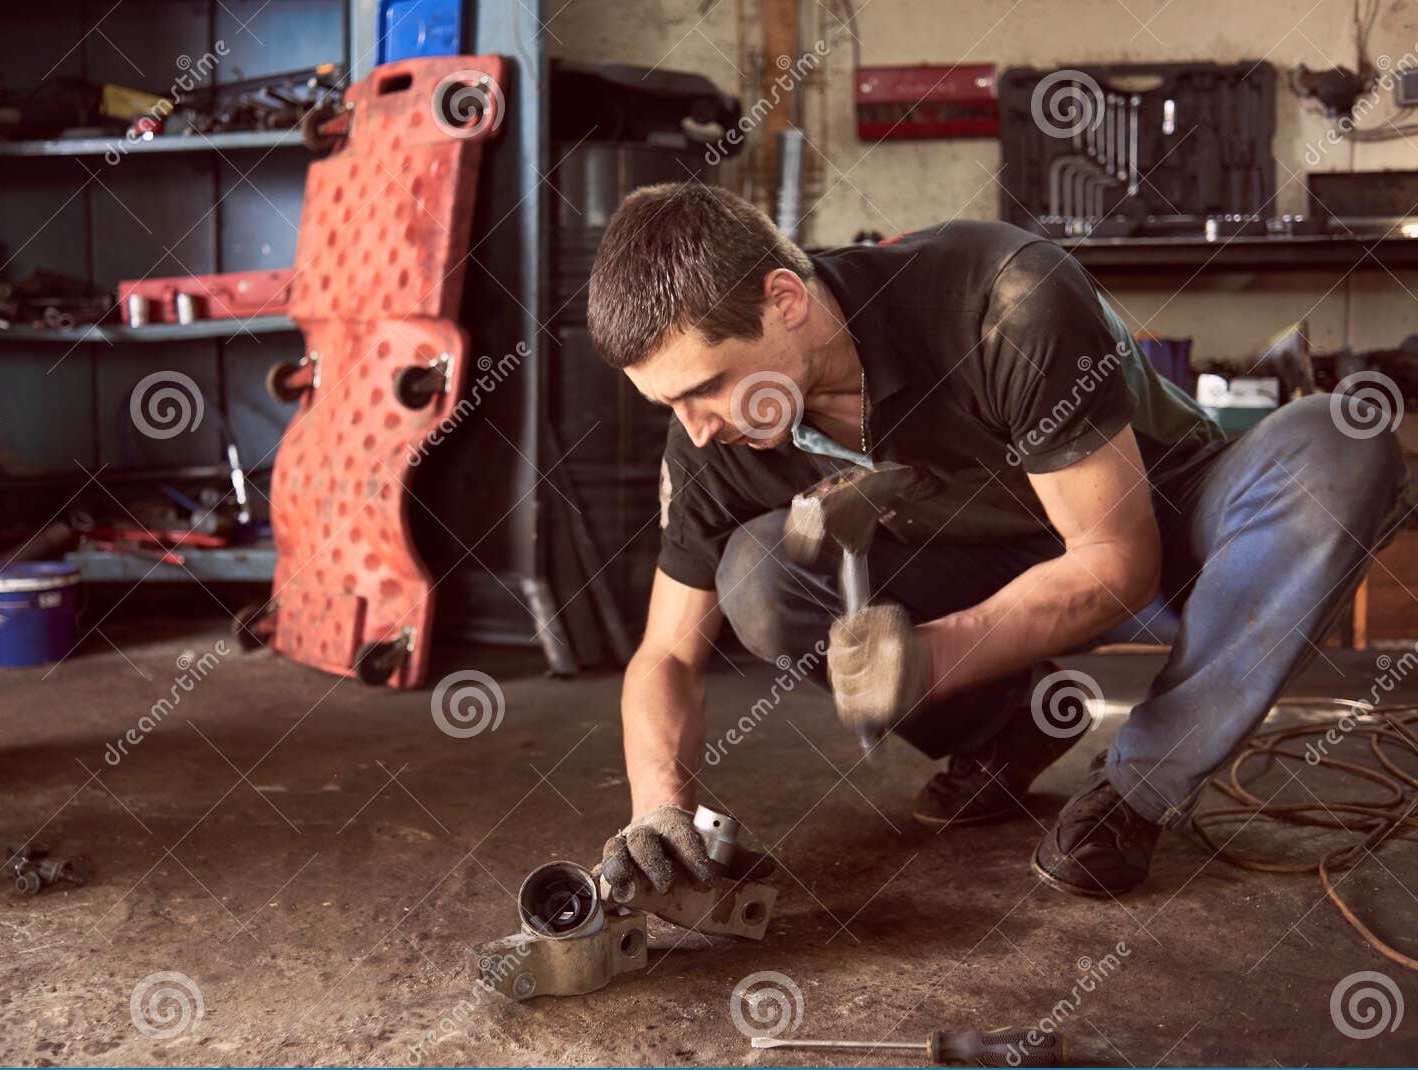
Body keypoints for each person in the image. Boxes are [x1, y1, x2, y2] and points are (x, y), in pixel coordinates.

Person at [587, 183, 1409, 899]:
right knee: (759, 574)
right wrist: (658, 807)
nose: (694, 430)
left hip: (1172, 530)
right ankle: (1005, 729)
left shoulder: (1002, 298)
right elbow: (665, 653)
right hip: (1002, 563)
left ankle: (1134, 791)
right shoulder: (712, 441)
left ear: (785, 300)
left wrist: (931, 656)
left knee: (1339, 438)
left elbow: (1120, 564)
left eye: (707, 388)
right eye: (671, 405)